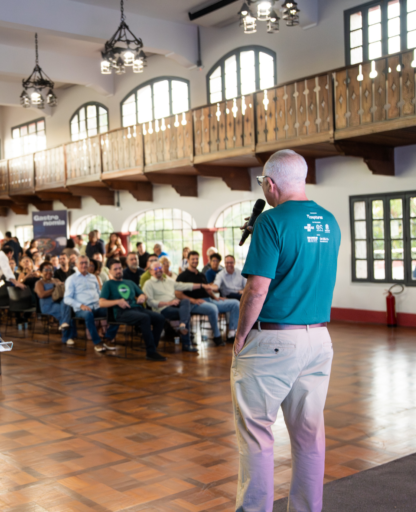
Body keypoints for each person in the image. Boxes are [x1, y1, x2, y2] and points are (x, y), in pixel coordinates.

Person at [230, 149, 341, 512]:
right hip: (319, 340)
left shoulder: (272, 221)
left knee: (257, 437)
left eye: (263, 183)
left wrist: (241, 335)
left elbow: (257, 288)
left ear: (271, 183)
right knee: (310, 437)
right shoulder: (329, 221)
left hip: (274, 340)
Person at [99, 260, 167, 362]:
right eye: (115, 269)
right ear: (110, 271)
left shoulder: (129, 282)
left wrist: (142, 297)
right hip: (121, 312)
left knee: (160, 318)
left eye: (120, 268)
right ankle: (151, 352)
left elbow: (142, 294)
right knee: (145, 318)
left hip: (137, 309)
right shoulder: (108, 284)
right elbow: (101, 303)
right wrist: (117, 301)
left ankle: (152, 346)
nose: (118, 271)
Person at [176, 251, 240, 347]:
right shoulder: (182, 276)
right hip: (195, 304)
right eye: (193, 259)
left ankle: (231, 333)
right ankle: (217, 337)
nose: (195, 261)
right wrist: (193, 300)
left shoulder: (201, 275)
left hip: (209, 300)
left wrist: (216, 297)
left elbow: (208, 289)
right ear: (188, 260)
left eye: (197, 259)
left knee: (235, 303)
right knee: (212, 308)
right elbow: (178, 294)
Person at [143, 261, 202, 352]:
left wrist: (201, 286)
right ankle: (186, 343)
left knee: (186, 301)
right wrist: (168, 303)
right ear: (150, 271)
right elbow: (150, 302)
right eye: (155, 269)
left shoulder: (168, 280)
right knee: (184, 313)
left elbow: (182, 285)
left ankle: (182, 325)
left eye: (160, 268)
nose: (158, 270)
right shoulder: (148, 283)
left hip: (175, 305)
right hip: (162, 309)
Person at [63, 256, 117, 351]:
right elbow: (66, 299)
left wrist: (105, 300)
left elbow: (99, 293)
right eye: (81, 263)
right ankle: (97, 343)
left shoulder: (93, 277)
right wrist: (81, 305)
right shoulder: (71, 279)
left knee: (115, 310)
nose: (84, 265)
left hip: (97, 306)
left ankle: (108, 338)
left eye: (86, 263)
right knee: (88, 314)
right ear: (76, 265)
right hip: (81, 310)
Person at [35, 262, 74, 344]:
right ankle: (67, 337)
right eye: (46, 270)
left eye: (50, 270)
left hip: (59, 303)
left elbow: (64, 289)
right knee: (65, 312)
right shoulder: (39, 283)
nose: (49, 272)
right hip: (47, 306)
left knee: (66, 302)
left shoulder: (56, 280)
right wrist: (55, 289)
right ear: (41, 271)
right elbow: (41, 295)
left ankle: (64, 325)